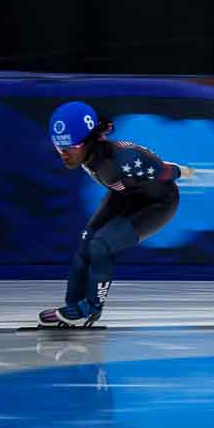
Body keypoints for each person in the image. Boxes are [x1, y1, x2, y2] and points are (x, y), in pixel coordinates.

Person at [39, 100, 194, 328]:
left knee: (101, 245)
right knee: (86, 242)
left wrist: (184, 171)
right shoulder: (84, 152)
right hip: (124, 195)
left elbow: (163, 170)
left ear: (88, 141)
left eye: (70, 147)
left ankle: (91, 308)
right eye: (58, 146)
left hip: (158, 203)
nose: (64, 154)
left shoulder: (123, 159)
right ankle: (71, 307)